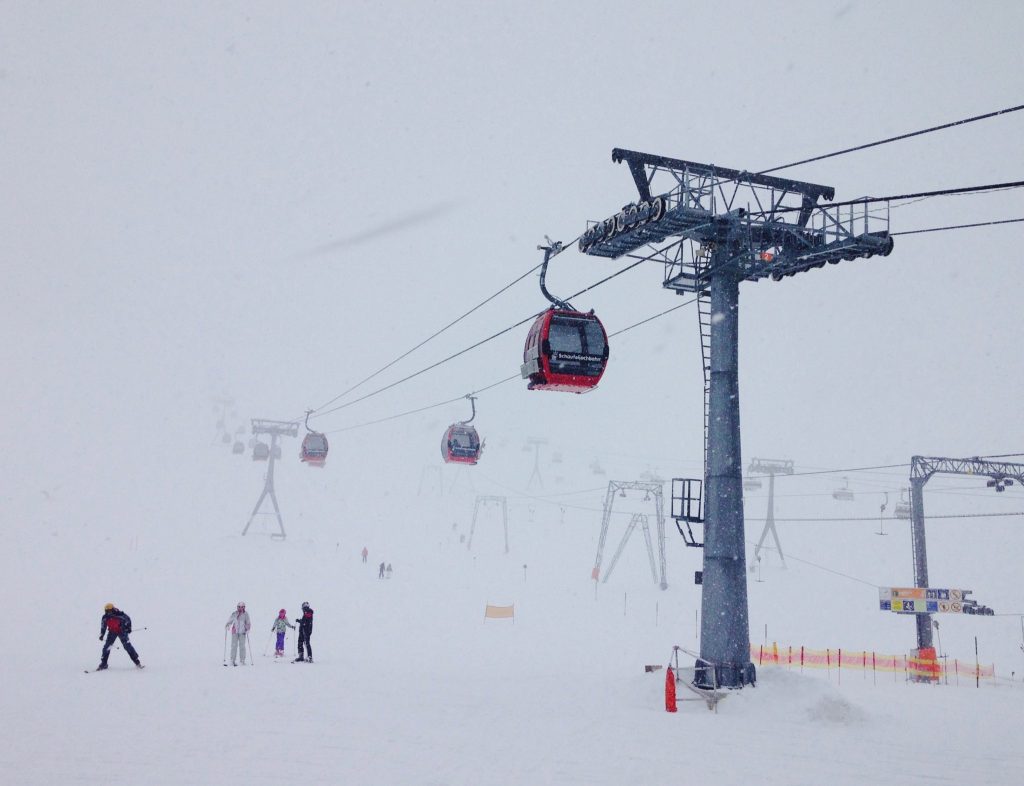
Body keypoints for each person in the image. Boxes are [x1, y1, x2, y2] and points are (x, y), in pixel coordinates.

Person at [97, 603, 143, 670]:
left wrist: (128, 628)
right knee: (107, 647)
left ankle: (137, 662)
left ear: (112, 609)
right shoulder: (105, 617)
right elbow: (103, 626)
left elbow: (128, 620)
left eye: (109, 611)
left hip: (122, 631)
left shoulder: (120, 614)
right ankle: (104, 663)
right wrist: (102, 634)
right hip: (112, 632)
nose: (108, 613)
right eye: (106, 611)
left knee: (127, 646)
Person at [225, 601, 251, 666]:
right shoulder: (234, 613)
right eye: (239, 607)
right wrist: (228, 625)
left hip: (242, 632)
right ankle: (232, 660)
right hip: (235, 632)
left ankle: (242, 660)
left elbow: (248, 622)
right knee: (234, 646)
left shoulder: (246, 614)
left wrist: (247, 629)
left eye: (242, 607)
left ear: (244, 607)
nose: (240, 608)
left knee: (242, 646)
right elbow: (230, 620)